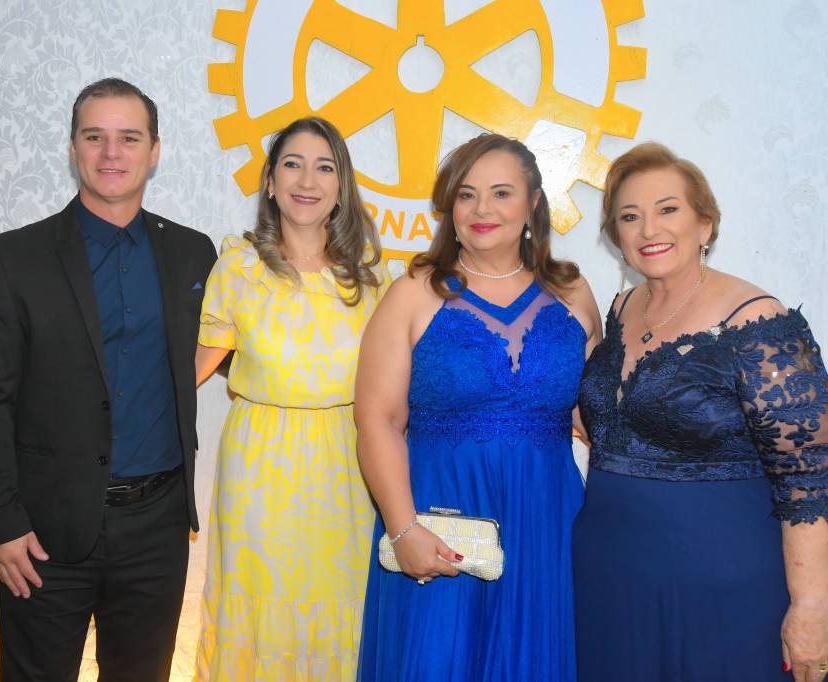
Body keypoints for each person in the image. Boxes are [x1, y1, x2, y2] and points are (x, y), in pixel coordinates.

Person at [0, 77, 217, 682]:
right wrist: (2, 525)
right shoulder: (12, 258)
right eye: (95, 136)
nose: (111, 153)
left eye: (130, 137)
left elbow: (246, 342)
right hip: (42, 533)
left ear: (155, 151)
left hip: (156, 531)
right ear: (73, 148)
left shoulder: (194, 254)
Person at [573, 142, 828, 682]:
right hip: (610, 573)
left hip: (724, 581)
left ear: (705, 225)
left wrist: (812, 605)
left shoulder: (759, 322)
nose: (648, 229)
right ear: (616, 234)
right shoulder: (621, 309)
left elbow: (809, 478)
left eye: (667, 209)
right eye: (629, 216)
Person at [355, 133, 601, 681]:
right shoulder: (414, 293)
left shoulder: (573, 292)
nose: (482, 209)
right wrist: (402, 529)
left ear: (533, 203)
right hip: (441, 524)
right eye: (467, 195)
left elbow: (594, 413)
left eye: (501, 193)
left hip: (547, 522)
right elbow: (377, 420)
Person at [193, 117, 388, 680]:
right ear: (270, 182)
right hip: (259, 468)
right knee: (259, 609)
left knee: (341, 609)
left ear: (341, 186)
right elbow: (189, 372)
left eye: (324, 167)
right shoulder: (237, 267)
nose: (308, 180)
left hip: (347, 466)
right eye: (293, 165)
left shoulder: (372, 278)